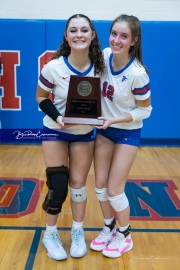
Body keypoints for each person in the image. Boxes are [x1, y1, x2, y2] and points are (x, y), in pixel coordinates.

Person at [36, 14, 105, 260]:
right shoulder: (53, 66)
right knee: (57, 184)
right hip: (55, 130)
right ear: (66, 36)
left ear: (92, 35)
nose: (79, 35)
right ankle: (50, 233)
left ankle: (77, 231)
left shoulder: (101, 66)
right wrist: (58, 118)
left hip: (84, 133)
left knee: (77, 185)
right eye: (73, 30)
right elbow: (41, 97)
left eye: (84, 30)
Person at [90, 14, 152, 258]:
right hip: (105, 131)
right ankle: (109, 227)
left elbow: (145, 110)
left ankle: (125, 235)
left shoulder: (137, 73)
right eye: (114, 34)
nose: (116, 40)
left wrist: (114, 119)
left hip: (127, 133)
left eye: (123, 36)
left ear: (134, 41)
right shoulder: (104, 56)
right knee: (99, 187)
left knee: (115, 189)